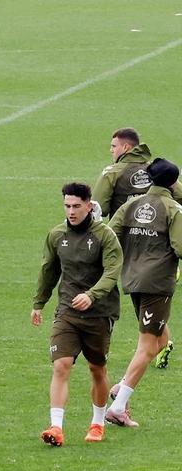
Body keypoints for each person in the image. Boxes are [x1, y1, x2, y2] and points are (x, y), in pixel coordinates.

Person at [31, 183, 122, 446]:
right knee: (61, 365)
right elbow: (48, 271)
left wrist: (91, 295)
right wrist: (38, 303)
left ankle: (97, 423)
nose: (71, 211)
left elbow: (112, 272)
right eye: (67, 206)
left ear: (88, 205)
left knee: (97, 369)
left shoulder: (105, 236)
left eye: (76, 206)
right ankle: (56, 427)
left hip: (99, 314)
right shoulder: (57, 235)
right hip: (67, 312)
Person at [105, 158, 182, 428]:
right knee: (148, 347)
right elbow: (180, 246)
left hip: (132, 279)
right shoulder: (173, 208)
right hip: (157, 284)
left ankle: (120, 387)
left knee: (160, 339)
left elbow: (109, 236)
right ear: (173, 182)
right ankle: (118, 407)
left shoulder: (130, 204)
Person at [93, 127, 175, 369]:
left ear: (125, 147)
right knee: (151, 299)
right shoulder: (157, 170)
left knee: (136, 294)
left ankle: (145, 352)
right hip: (159, 249)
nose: (111, 151)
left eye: (113, 146)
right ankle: (162, 341)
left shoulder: (113, 172)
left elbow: (97, 210)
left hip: (129, 246)